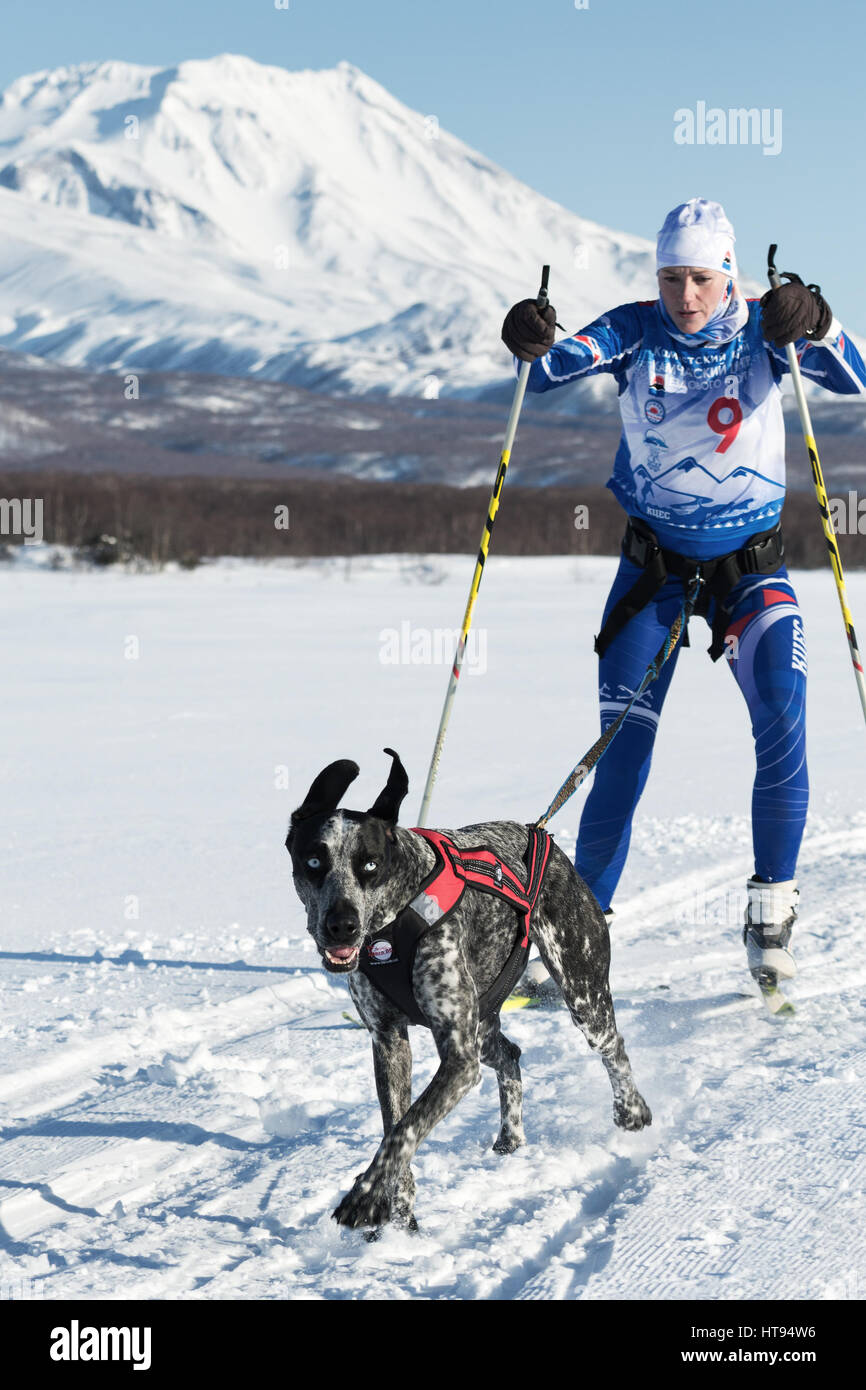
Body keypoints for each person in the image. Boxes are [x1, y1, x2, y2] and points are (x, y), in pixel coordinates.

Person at [501, 197, 866, 997]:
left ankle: (771, 915)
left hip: (750, 572)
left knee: (782, 710)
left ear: (728, 275)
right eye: (671, 277)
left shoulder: (769, 330)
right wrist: (529, 333)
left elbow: (856, 377)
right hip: (654, 579)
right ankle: (575, 934)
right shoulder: (636, 330)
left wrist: (820, 321)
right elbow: (556, 367)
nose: (686, 296)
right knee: (621, 754)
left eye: (701, 278)